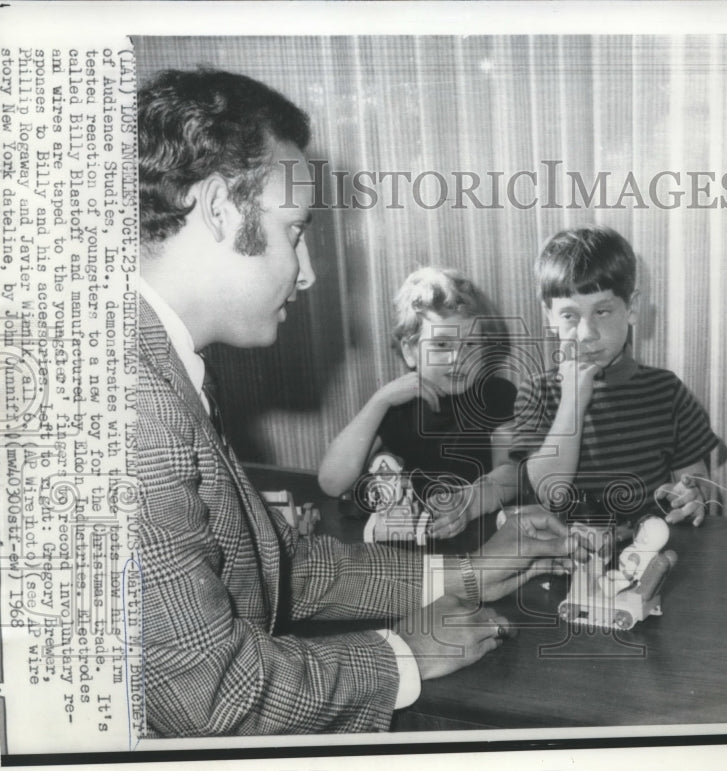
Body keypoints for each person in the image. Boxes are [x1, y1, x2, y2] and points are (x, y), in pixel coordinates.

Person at [137, 67, 577, 737]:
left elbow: (285, 564)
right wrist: (403, 653)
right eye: (294, 230)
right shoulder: (135, 401)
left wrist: (470, 572)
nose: (308, 272)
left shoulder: (162, 362)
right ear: (220, 208)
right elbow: (212, 698)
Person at [508, 225, 720, 526]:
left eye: (602, 312)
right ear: (550, 317)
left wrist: (694, 496)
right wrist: (573, 401)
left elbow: (700, 485)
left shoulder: (667, 391)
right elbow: (548, 493)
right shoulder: (537, 392)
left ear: (631, 308)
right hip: (569, 560)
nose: (586, 334)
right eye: (570, 315)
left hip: (652, 556)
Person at [318, 267, 518, 540]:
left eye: (471, 344)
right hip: (413, 540)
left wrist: (470, 503)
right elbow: (332, 482)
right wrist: (380, 401)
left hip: (479, 536)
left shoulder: (497, 394)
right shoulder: (399, 405)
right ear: (410, 351)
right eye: (441, 345)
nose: (457, 359)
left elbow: (511, 470)